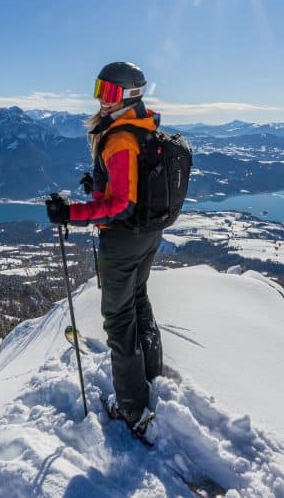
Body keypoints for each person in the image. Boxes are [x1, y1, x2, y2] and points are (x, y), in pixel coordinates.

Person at [46, 61, 163, 434]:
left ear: (129, 95)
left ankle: (131, 407)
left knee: (117, 318)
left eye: (109, 92)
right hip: (146, 235)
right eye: (100, 88)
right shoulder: (143, 127)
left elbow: (121, 204)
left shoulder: (120, 138)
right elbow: (130, 185)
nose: (101, 98)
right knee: (138, 300)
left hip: (124, 238)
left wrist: (71, 213)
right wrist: (97, 183)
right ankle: (151, 376)